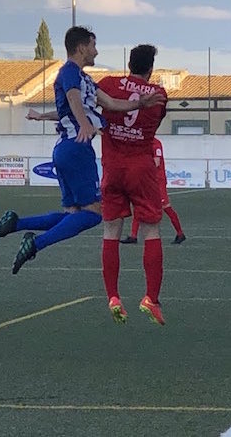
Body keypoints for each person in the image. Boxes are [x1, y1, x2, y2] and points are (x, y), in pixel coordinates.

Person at [0, 26, 165, 276]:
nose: (96, 51)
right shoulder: (70, 73)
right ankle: (35, 243)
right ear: (81, 48)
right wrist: (84, 124)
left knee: (73, 213)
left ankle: (15, 224)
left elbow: (110, 103)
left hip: (65, 149)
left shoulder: (86, 79)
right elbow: (72, 99)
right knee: (93, 215)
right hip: (77, 149)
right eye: (93, 45)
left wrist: (139, 103)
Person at [98, 45, 168, 325]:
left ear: (128, 63)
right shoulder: (158, 96)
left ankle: (113, 296)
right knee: (151, 228)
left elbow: (93, 101)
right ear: (150, 69)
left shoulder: (107, 85)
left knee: (111, 230)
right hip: (140, 166)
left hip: (112, 167)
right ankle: (150, 298)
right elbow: (156, 118)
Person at [120, 137, 186, 245]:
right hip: (146, 180)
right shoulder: (143, 143)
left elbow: (156, 162)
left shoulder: (156, 143)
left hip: (157, 181)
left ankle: (180, 233)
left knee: (166, 207)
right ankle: (133, 236)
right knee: (138, 206)